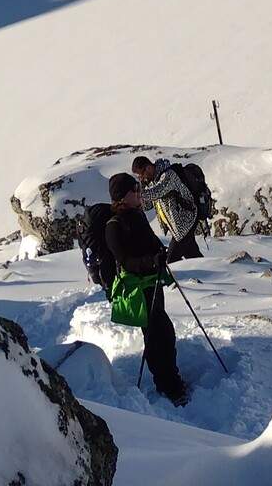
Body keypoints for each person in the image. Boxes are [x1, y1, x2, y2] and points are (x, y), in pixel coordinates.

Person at [105, 171, 189, 405]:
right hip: (136, 289)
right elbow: (124, 260)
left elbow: (151, 242)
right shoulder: (114, 226)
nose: (139, 194)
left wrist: (160, 253)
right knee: (155, 336)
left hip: (152, 282)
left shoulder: (138, 216)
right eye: (135, 190)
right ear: (122, 196)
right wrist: (151, 261)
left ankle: (171, 380)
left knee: (164, 333)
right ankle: (167, 385)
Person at [132, 155, 203, 262]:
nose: (141, 178)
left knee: (170, 261)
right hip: (177, 227)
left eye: (141, 174)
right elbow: (147, 206)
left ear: (148, 167)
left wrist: (136, 194)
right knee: (193, 256)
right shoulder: (152, 182)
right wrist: (141, 185)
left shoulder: (168, 175)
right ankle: (215, 274)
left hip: (185, 221)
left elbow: (157, 192)